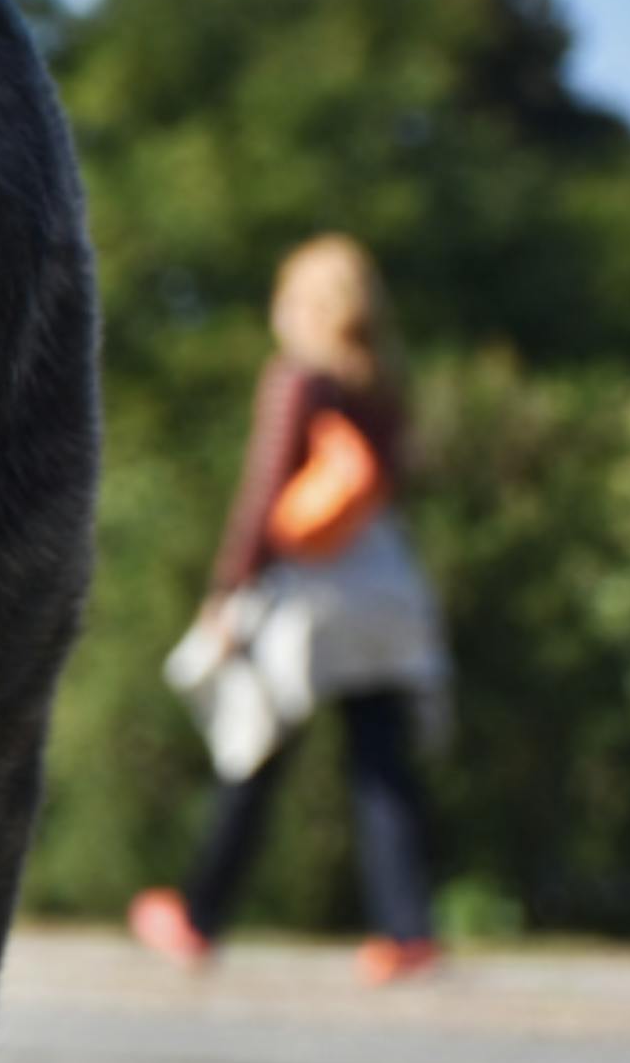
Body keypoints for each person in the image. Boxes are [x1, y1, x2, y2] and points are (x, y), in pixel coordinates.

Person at [133, 234, 450, 983]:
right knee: (381, 760)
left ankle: (198, 914)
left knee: (256, 745)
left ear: (307, 304)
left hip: (311, 593)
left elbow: (266, 492)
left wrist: (227, 588)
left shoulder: (298, 379)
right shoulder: (386, 384)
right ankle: (407, 929)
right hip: (385, 587)